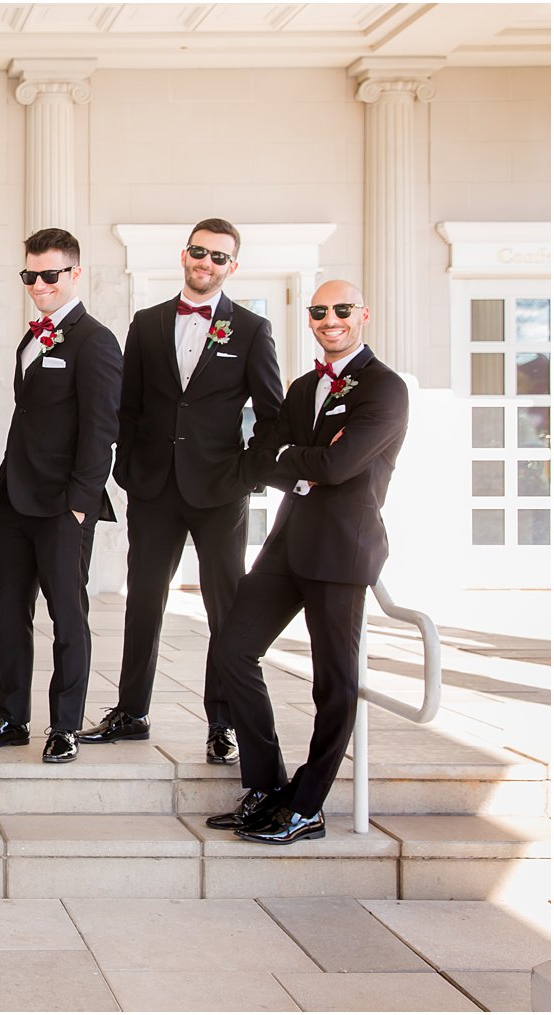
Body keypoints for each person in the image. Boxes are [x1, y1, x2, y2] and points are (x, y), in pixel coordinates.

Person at [206, 280, 408, 844]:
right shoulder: (300, 388)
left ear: (363, 314)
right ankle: (269, 785)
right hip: (287, 545)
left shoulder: (384, 389)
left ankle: (309, 804)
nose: (330, 319)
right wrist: (304, 463)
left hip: (342, 550)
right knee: (232, 649)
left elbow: (341, 465)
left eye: (341, 310)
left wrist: (300, 459)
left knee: (334, 684)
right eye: (320, 311)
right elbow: (266, 459)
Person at [82, 219, 283, 763]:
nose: (207, 263)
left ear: (231, 267)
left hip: (221, 491)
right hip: (153, 488)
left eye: (219, 257)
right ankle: (131, 711)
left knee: (227, 610)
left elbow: (272, 415)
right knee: (143, 602)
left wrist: (248, 474)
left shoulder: (251, 329)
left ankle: (224, 722)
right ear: (184, 255)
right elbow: (127, 405)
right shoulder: (147, 324)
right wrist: (128, 468)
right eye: (199, 252)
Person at [0, 228, 122, 763]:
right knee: (9, 612)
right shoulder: (33, 337)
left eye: (50, 275)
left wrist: (80, 503)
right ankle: (11, 717)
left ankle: (66, 726)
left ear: (75, 274)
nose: (38, 284)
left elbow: (102, 431)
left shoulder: (95, 340)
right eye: (30, 275)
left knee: (67, 617)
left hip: (62, 505)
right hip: (14, 498)